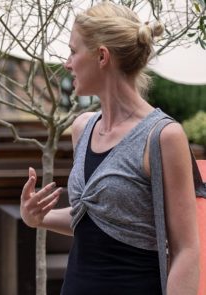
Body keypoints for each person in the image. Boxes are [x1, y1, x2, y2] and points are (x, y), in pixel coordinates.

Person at [20, 2, 200, 295]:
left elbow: (186, 251)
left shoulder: (163, 136)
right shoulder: (83, 128)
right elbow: (93, 218)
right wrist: (37, 218)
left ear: (102, 56)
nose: (67, 63)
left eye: (73, 51)